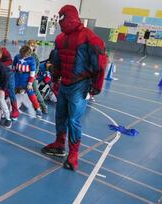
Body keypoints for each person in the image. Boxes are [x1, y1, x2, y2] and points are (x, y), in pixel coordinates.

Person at [41, 5, 107, 171]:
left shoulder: (89, 38)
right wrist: (55, 78)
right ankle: (59, 143)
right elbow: (57, 60)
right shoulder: (60, 38)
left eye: (61, 18)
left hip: (80, 85)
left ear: (68, 17)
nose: (59, 22)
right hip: (65, 83)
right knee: (60, 116)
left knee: (73, 120)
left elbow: (100, 64)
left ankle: (74, 154)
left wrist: (97, 86)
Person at [10, 45, 43, 120]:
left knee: (31, 93)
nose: (23, 57)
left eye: (25, 56)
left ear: (29, 54)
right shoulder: (17, 57)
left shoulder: (31, 60)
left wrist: (30, 83)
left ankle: (38, 108)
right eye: (22, 55)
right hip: (17, 77)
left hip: (26, 78)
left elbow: (32, 72)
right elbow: (13, 68)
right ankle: (14, 111)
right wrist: (12, 78)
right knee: (11, 92)